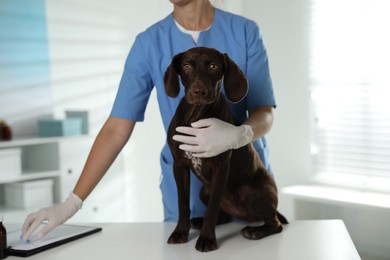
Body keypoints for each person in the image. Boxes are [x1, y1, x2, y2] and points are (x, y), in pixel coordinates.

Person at [22, 0, 276, 241]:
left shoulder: (244, 31)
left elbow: (264, 112)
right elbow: (116, 129)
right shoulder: (149, 43)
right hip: (186, 182)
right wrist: (71, 203)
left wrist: (239, 135)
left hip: (245, 180)